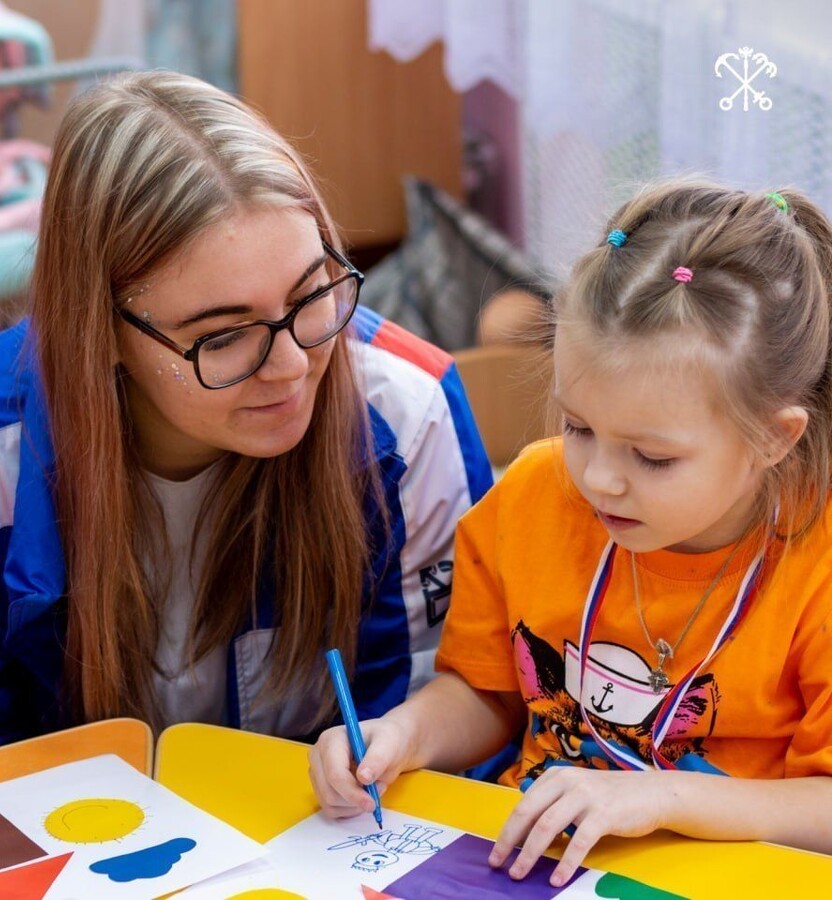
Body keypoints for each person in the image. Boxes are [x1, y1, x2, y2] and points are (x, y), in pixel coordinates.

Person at [0, 70, 492, 763]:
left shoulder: (409, 408)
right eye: (224, 336)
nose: (290, 366)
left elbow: (454, 707)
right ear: (99, 329)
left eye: (311, 295)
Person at [309, 181, 832, 886]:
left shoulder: (816, 563)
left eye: (652, 457)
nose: (600, 480)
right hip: (526, 865)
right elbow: (488, 695)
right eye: (578, 427)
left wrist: (662, 797)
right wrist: (403, 734)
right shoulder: (533, 494)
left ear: (774, 438)